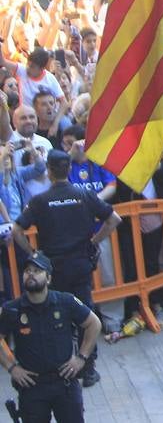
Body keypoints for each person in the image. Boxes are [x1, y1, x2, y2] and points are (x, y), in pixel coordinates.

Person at [12, 151, 120, 388]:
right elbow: (114, 219)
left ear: (49, 171)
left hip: (53, 269)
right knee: (84, 314)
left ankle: (62, 368)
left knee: (57, 317)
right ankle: (88, 369)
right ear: (69, 168)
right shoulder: (84, 195)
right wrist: (94, 241)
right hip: (81, 265)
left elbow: (16, 231)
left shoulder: (40, 201)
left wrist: (33, 255)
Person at [0, 252, 102, 422]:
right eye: (27, 271)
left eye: (37, 270)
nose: (30, 274)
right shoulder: (13, 309)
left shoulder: (66, 302)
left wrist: (82, 358)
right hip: (32, 387)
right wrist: (12, 368)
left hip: (64, 384)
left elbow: (94, 324)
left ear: (48, 278)